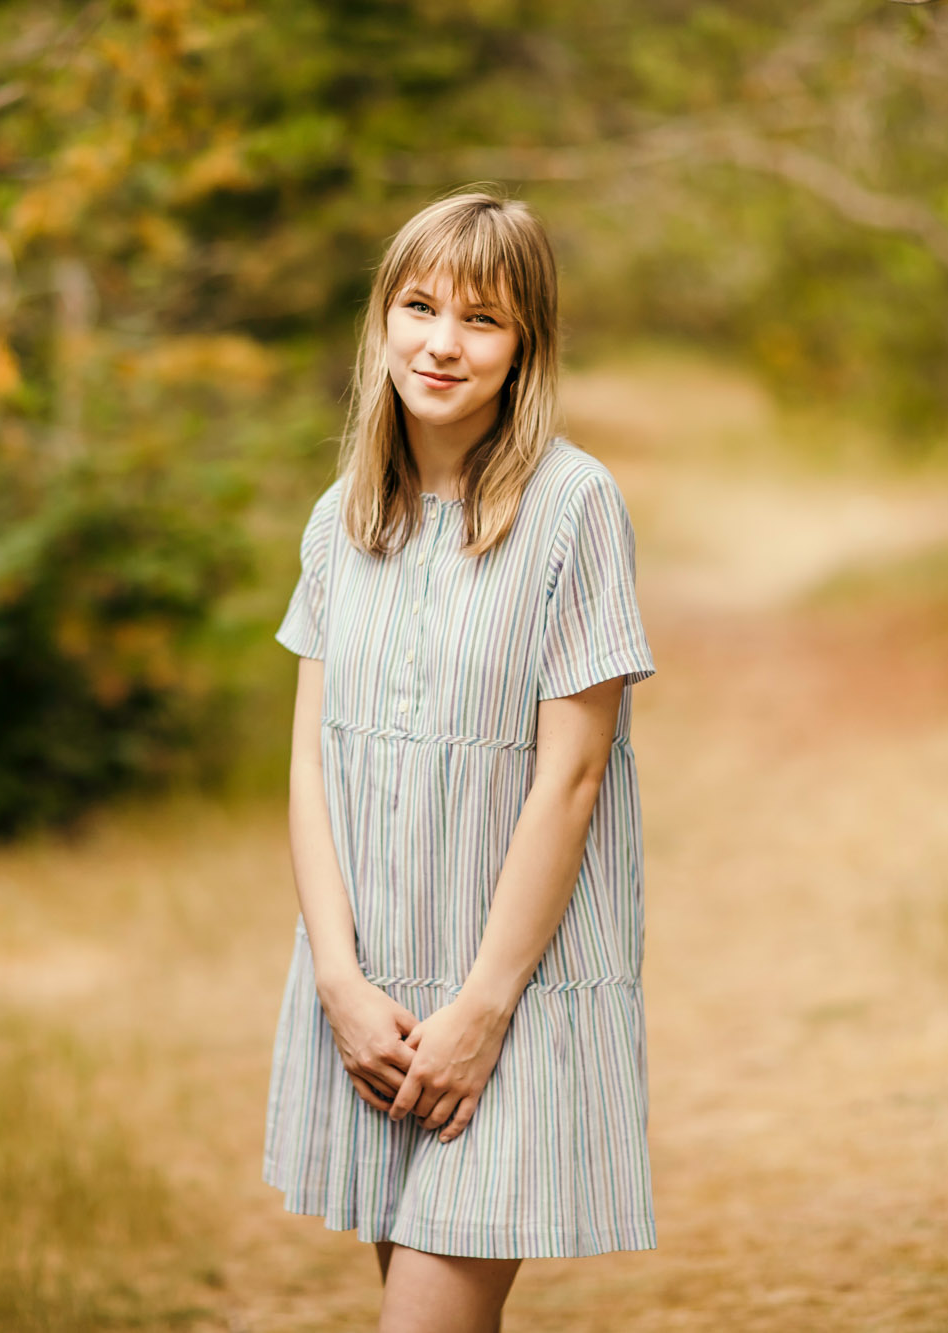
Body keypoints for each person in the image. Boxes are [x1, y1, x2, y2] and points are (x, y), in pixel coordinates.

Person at [264, 188, 658, 1333]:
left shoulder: (574, 508)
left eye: (480, 319)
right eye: (419, 306)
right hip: (375, 999)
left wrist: (483, 1008)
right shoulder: (339, 517)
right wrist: (337, 980)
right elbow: (308, 767)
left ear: (525, 343)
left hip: (510, 999)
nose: (442, 342)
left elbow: (573, 778)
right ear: (381, 319)